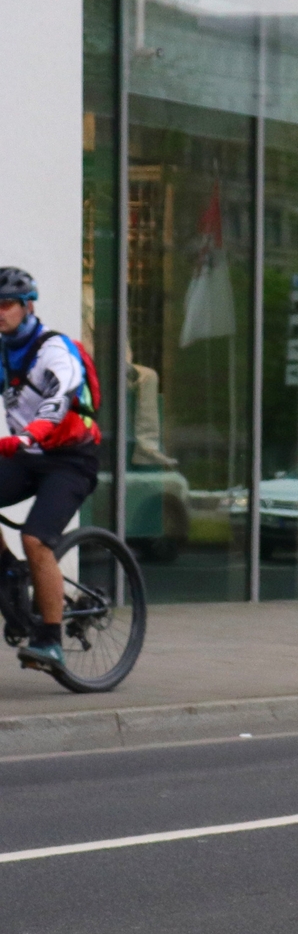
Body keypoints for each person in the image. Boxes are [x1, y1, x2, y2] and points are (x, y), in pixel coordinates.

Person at [0, 268, 101, 670]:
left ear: (28, 307)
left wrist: (30, 435)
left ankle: (50, 640)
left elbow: (58, 399)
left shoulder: (54, 350)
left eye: (6, 305)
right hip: (28, 457)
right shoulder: (4, 353)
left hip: (71, 459)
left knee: (36, 540)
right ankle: (9, 574)